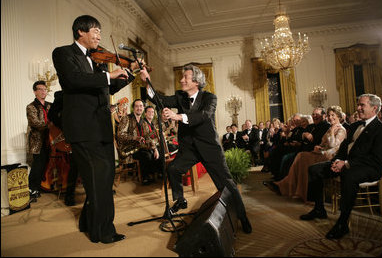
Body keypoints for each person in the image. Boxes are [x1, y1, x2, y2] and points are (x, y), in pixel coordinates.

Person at [52, 15, 136, 244]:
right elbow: (74, 80)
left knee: (104, 179)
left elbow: (105, 89)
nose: (99, 35)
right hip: (82, 128)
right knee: (99, 180)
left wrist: (128, 74)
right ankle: (103, 232)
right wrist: (108, 75)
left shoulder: (97, 61)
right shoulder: (63, 53)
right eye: (96, 31)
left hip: (101, 128)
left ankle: (87, 221)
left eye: (100, 31)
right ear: (81, 31)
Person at [140, 63, 252, 234]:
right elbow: (159, 100)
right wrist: (147, 81)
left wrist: (177, 116)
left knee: (226, 185)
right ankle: (180, 200)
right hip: (189, 149)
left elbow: (204, 115)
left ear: (196, 82)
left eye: (185, 77)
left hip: (209, 148)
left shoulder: (210, 98)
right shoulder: (180, 96)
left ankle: (243, 217)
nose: (181, 80)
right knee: (173, 169)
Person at [299, 94, 382, 240]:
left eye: (362, 105)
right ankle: (319, 209)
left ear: (374, 108)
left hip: (369, 167)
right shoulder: (355, 126)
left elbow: (375, 158)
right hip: (346, 163)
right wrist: (338, 161)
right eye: (358, 105)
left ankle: (342, 223)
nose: (358, 108)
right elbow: (343, 148)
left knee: (349, 175)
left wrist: (347, 164)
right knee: (315, 169)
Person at [274, 106, 347, 202]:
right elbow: (323, 143)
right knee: (301, 156)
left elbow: (333, 145)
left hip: (330, 157)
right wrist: (319, 147)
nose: (330, 117)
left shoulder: (341, 129)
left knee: (302, 157)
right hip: (321, 153)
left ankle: (291, 187)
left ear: (339, 116)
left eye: (333, 115)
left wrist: (332, 131)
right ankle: (294, 188)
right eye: (329, 115)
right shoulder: (330, 128)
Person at [117, 99, 160, 185]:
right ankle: (145, 178)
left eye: (141, 106)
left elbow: (148, 138)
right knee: (146, 154)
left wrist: (155, 149)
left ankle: (156, 174)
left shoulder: (144, 122)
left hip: (140, 147)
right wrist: (134, 138)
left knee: (155, 151)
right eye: (136, 106)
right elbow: (120, 134)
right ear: (133, 108)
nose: (139, 108)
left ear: (143, 108)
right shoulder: (126, 118)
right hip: (128, 149)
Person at [26, 80, 52, 201]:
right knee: (37, 165)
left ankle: (41, 186)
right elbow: (35, 122)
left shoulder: (50, 105)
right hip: (37, 141)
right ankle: (32, 189)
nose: (43, 91)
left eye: (45, 89)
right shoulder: (31, 106)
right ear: (35, 92)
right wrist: (50, 125)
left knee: (46, 164)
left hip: (50, 139)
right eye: (40, 89)